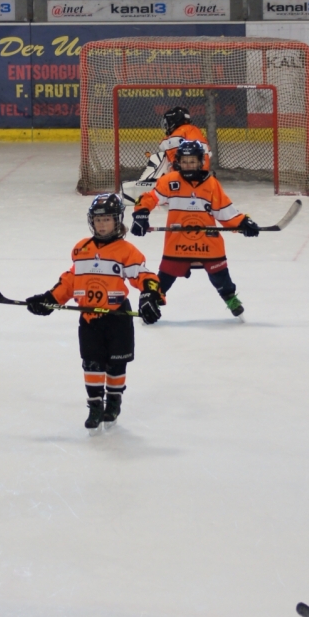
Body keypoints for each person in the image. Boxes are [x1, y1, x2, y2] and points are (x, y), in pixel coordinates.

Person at [25, 193, 164, 432]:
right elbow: (70, 280)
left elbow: (144, 275)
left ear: (117, 220)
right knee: (91, 363)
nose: (102, 224)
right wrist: (49, 299)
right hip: (89, 318)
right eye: (98, 220)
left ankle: (114, 403)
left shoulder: (126, 251)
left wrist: (151, 294)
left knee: (116, 365)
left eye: (107, 219)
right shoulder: (82, 248)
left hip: (117, 317)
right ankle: (95, 406)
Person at [130, 139, 259, 318]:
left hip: (207, 239)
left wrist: (242, 222)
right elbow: (150, 198)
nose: (188, 165)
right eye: (184, 161)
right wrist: (141, 213)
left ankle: (229, 297)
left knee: (220, 274)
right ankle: (153, 302)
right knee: (166, 276)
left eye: (192, 161)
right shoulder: (170, 181)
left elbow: (224, 210)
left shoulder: (211, 184)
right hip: (178, 241)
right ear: (178, 162)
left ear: (200, 162)